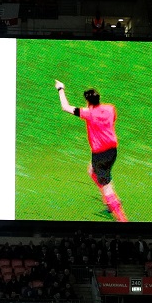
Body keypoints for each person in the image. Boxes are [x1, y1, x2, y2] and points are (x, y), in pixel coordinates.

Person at [55, 80, 127, 222]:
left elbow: (65, 107)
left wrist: (60, 88)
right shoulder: (110, 109)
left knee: (106, 186)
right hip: (112, 151)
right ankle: (108, 201)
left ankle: (121, 218)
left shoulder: (87, 113)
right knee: (92, 171)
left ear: (87, 101)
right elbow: (112, 120)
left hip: (100, 154)